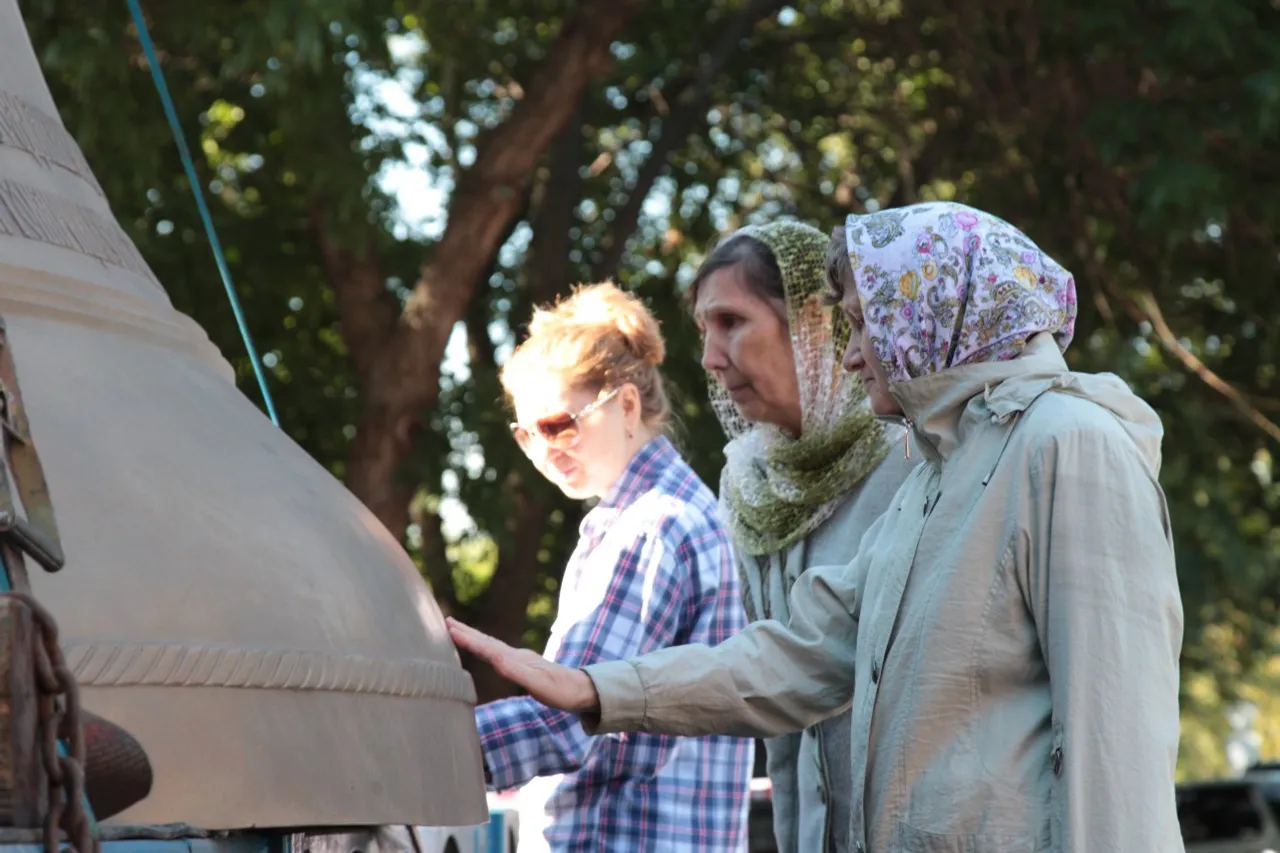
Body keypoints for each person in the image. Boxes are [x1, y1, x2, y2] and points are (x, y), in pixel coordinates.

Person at [449, 203, 1186, 852]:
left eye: (865, 322)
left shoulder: (1068, 442)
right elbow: (802, 656)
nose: (852, 350)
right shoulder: (936, 475)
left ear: (935, 309)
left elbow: (1114, 746)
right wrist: (591, 688)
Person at [471, 281, 753, 852]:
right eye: (526, 434)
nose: (544, 450)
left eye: (558, 425)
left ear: (626, 405)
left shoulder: (649, 528)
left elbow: (563, 720)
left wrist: (399, 749)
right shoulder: (671, 513)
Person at [690, 219, 917, 853]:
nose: (710, 357)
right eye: (704, 330)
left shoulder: (910, 460)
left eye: (731, 322)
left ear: (816, 322)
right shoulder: (748, 483)